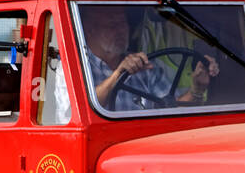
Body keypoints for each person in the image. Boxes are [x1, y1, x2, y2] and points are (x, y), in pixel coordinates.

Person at [83, 6, 217, 112]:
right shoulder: (74, 67)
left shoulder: (145, 66)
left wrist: (197, 89)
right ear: (90, 30)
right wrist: (117, 75)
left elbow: (175, 109)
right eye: (112, 25)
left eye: (123, 23)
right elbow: (80, 110)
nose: (121, 30)